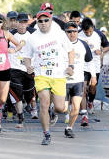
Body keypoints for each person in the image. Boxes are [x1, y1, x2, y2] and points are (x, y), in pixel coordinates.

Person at [23, 11, 74, 145]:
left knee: (60, 107)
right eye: (40, 21)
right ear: (37, 23)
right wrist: (28, 66)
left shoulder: (59, 34)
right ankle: (46, 134)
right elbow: (27, 57)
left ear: (51, 21)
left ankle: (54, 111)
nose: (43, 23)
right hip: (41, 76)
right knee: (43, 104)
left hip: (58, 75)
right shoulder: (32, 38)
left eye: (46, 20)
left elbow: (70, 51)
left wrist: (71, 66)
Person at [64, 22, 93, 138]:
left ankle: (69, 128)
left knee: (76, 107)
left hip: (78, 80)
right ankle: (54, 111)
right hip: (63, 81)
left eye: (74, 31)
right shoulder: (60, 45)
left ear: (77, 32)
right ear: (65, 32)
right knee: (63, 108)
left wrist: (93, 76)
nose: (72, 34)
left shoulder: (83, 45)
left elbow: (89, 61)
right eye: (69, 31)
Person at [8, 13, 37, 128]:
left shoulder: (33, 34)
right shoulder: (11, 35)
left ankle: (29, 105)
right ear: (16, 23)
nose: (22, 25)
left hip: (29, 68)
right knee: (17, 94)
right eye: (20, 22)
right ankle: (20, 118)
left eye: (25, 22)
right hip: (14, 68)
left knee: (29, 95)